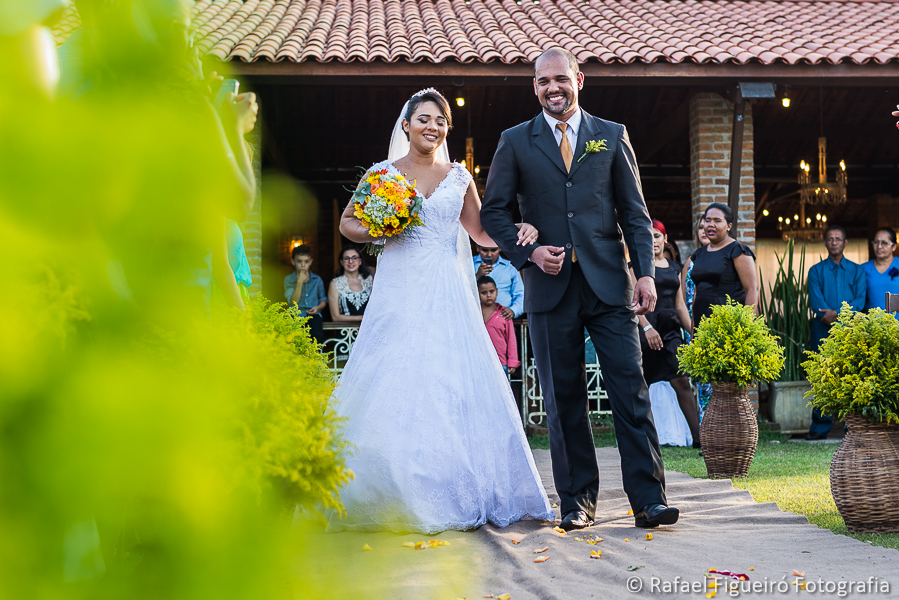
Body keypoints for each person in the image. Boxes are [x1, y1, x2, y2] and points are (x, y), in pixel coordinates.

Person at [326, 89, 552, 533]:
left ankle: (448, 484)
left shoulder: (458, 176)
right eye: (424, 119)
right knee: (393, 373)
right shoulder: (382, 174)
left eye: (441, 121)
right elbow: (347, 223)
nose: (433, 127)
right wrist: (379, 227)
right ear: (406, 124)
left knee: (448, 378)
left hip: (447, 289)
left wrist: (519, 227)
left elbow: (482, 232)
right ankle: (386, 486)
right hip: (399, 287)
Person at [481, 48, 678, 531]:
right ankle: (576, 501)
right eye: (544, 81)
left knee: (630, 392)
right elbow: (493, 214)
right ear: (534, 87)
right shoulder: (514, 141)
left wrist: (647, 273)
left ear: (579, 80)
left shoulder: (611, 135)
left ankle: (648, 500)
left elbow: (634, 212)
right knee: (563, 396)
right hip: (548, 289)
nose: (553, 88)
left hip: (610, 286)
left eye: (561, 79)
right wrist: (527, 254)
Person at [632, 220, 700, 448]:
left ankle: (699, 439)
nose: (652, 241)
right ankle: (643, 441)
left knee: (681, 381)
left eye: (656, 236)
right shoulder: (636, 268)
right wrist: (647, 328)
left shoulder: (674, 268)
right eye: (647, 236)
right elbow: (631, 303)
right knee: (642, 386)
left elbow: (680, 305)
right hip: (646, 330)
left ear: (665, 239)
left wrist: (695, 332)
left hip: (671, 332)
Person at [804, 224, 866, 440]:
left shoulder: (858, 271)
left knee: (851, 376)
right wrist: (831, 315)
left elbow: (859, 301)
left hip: (850, 331)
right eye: (830, 239)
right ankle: (820, 428)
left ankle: (853, 426)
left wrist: (837, 315)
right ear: (825, 242)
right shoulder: (815, 271)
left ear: (845, 242)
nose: (834, 243)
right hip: (822, 329)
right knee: (822, 378)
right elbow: (816, 303)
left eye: (838, 239)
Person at [683, 202, 759, 327]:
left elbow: (752, 289)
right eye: (708, 220)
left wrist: (746, 326)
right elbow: (697, 292)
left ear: (729, 226)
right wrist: (693, 329)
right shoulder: (699, 254)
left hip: (730, 323)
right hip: (702, 322)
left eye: (717, 220)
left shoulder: (738, 251)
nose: (711, 224)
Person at [682, 217, 712, 420]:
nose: (703, 231)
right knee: (703, 384)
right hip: (695, 323)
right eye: (700, 228)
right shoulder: (691, 260)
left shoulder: (729, 256)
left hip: (719, 322)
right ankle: (706, 433)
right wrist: (691, 328)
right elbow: (683, 298)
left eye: (707, 227)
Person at [284, 245, 327, 344]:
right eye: (299, 261)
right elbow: (293, 301)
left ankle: (314, 358)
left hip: (313, 315)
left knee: (317, 337)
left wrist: (318, 307)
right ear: (293, 262)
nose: (303, 265)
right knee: (293, 340)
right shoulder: (289, 279)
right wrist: (299, 282)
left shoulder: (317, 280)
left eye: (306, 262)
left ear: (311, 262)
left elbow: (323, 299)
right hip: (295, 315)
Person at [478, 276, 520, 375]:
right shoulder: (475, 312)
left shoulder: (504, 313)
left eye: (491, 291)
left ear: (496, 291)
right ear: (477, 293)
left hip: (500, 363)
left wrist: (512, 362)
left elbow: (511, 340)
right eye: (484, 293)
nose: (488, 295)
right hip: (479, 361)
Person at [474, 245, 524, 319]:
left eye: (493, 250)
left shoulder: (511, 267)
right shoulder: (469, 264)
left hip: (503, 319)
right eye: (485, 250)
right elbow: (460, 292)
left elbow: (521, 295)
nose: (489, 254)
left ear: (500, 247)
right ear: (477, 248)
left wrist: (513, 310)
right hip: (475, 317)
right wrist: (477, 276)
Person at [327, 244, 374, 323]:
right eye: (346, 258)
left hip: (368, 330)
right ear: (341, 262)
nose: (350, 261)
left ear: (360, 261)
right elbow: (335, 317)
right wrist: (362, 318)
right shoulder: (335, 283)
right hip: (345, 332)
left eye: (354, 258)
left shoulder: (370, 281)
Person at [862, 227, 899, 311]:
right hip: (872, 322)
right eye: (876, 242)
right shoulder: (863, 269)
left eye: (884, 243)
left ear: (894, 247)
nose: (879, 246)